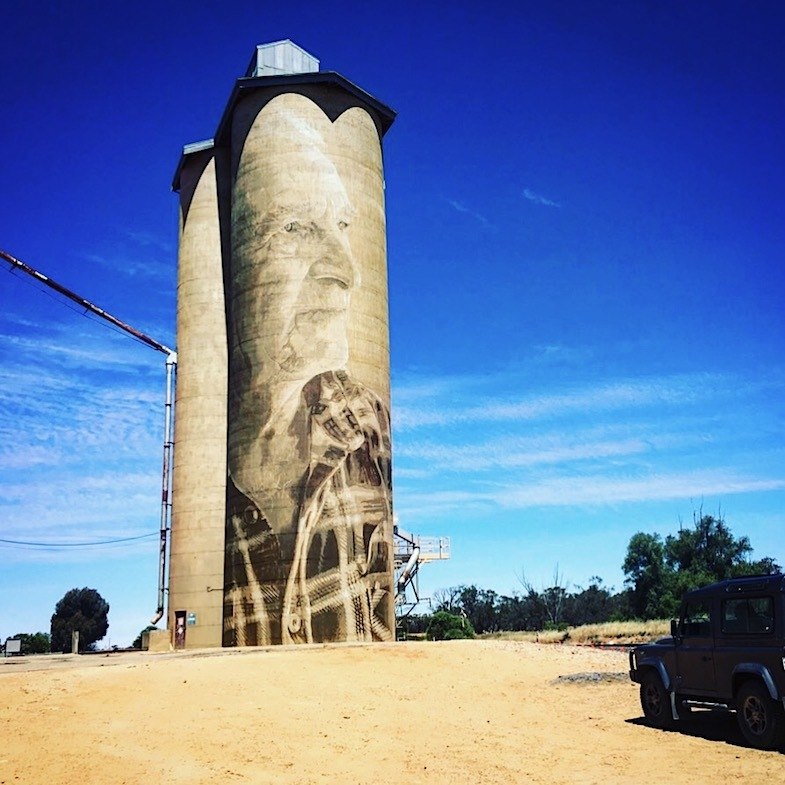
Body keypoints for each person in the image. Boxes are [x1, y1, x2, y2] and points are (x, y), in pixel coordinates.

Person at [223, 95, 393, 646]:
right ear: (234, 272)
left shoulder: (370, 424)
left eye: (343, 224)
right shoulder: (210, 472)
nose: (347, 271)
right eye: (296, 228)